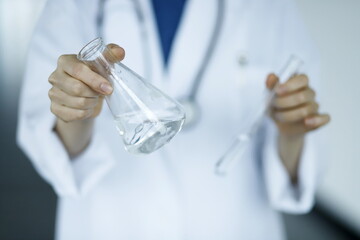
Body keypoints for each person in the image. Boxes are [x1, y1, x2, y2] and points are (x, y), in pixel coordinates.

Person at [17, 0, 330, 239]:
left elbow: (299, 167)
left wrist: (291, 134)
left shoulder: (269, 8)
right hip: (111, 223)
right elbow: (54, 148)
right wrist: (78, 112)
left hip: (232, 224)